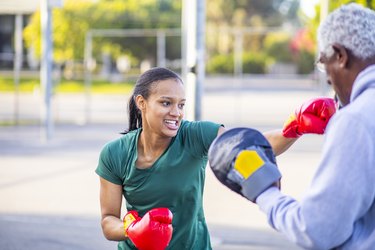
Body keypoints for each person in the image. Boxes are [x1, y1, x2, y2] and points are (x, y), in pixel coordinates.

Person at [95, 67, 335, 249]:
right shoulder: (114, 154)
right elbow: (108, 220)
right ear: (142, 103)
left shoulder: (195, 135)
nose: (176, 113)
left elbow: (247, 145)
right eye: (166, 103)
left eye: (181, 104)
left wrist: (294, 128)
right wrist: (131, 229)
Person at [209, 3, 375, 250]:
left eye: (323, 63)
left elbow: (318, 230)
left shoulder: (356, 121)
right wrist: (295, 129)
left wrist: (265, 193)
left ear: (340, 55)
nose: (327, 78)